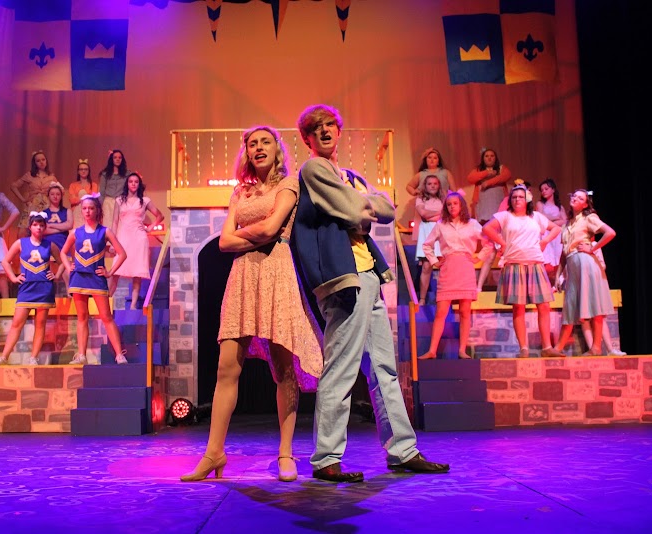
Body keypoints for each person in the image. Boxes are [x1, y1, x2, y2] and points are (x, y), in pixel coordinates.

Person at [290, 104, 449, 483]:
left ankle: (402, 450)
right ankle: (326, 457)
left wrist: (362, 208)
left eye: (331, 125)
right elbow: (352, 212)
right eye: (317, 127)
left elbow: (387, 209)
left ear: (338, 131)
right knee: (342, 366)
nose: (326, 131)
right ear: (307, 138)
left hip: (368, 275)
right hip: (344, 278)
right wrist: (361, 208)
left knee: (384, 369)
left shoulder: (350, 176)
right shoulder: (314, 170)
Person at [181, 125, 323, 483]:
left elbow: (271, 229)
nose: (258, 147)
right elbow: (223, 243)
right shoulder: (240, 191)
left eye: (265, 142)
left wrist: (244, 236)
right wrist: (253, 236)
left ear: (277, 149)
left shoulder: (288, 185)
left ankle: (286, 453)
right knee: (226, 368)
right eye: (252, 143)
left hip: (277, 273)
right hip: (242, 277)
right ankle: (214, 453)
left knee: (283, 369)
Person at [482, 184, 563, 358]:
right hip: (514, 264)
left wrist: (545, 241)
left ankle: (547, 347)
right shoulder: (505, 216)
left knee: (544, 305)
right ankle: (524, 348)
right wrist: (502, 243)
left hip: (535, 264)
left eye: (520, 197)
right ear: (510, 200)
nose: (517, 199)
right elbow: (487, 228)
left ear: (527, 200)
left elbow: (556, 228)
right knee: (518, 307)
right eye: (514, 197)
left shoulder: (536, 217)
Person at [59, 193, 128, 365]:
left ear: (97, 210)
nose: (87, 211)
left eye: (91, 208)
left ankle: (119, 354)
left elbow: (122, 253)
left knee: (106, 317)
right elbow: (63, 252)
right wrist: (68, 266)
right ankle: (81, 355)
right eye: (84, 209)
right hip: (78, 278)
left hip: (96, 279)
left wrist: (110, 272)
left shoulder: (105, 231)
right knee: (82, 317)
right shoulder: (76, 232)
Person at [0, 212, 64, 366]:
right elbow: (5, 262)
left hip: (43, 288)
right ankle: (4, 357)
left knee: (40, 324)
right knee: (17, 323)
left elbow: (62, 262)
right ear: (30, 227)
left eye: (41, 225)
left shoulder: (49, 245)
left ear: (45, 227)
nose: (38, 228)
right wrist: (13, 278)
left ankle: (33, 358)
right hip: (26, 288)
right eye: (35, 225)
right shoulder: (20, 243)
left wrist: (56, 276)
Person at [418, 192, 486, 360]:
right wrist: (434, 261)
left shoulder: (472, 224)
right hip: (448, 268)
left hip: (465, 267)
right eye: (449, 204)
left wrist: (479, 256)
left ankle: (462, 350)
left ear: (461, 205)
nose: (452, 206)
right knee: (441, 311)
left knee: (464, 311)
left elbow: (489, 242)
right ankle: (432, 350)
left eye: (455, 203)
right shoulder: (441, 225)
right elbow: (426, 245)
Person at [551, 190, 616, 356]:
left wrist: (592, 248)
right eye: (574, 196)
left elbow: (610, 233)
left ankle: (596, 347)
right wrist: (558, 275)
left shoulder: (589, 218)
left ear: (585, 204)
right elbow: (564, 253)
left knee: (594, 304)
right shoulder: (566, 225)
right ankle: (558, 348)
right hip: (573, 266)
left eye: (580, 198)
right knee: (570, 306)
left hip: (586, 264)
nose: (575, 198)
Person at [110, 172, 164, 309]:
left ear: (139, 184)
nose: (133, 184)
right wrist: (112, 242)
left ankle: (133, 305)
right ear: (127, 184)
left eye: (136, 182)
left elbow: (160, 215)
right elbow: (115, 222)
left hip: (139, 238)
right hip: (123, 237)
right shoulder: (119, 200)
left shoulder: (144, 200)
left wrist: (150, 227)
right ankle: (107, 301)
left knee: (137, 272)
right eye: (131, 181)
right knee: (115, 271)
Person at [468, 148, 511, 291]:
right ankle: (479, 286)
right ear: (483, 158)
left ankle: (507, 286)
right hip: (484, 211)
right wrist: (486, 173)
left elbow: (506, 175)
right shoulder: (479, 170)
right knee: (490, 250)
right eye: (486, 156)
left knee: (502, 252)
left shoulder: (501, 168)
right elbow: (471, 178)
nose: (489, 158)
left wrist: (489, 181)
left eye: (492, 155)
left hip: (500, 211)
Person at [11, 150, 59, 237]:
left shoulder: (51, 177)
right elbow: (13, 186)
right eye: (38, 161)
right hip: (31, 206)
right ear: (34, 163)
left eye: (43, 159)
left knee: (44, 232)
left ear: (46, 161)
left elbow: (60, 191)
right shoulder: (29, 175)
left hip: (46, 207)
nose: (41, 162)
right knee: (23, 233)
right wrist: (23, 200)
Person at [414, 175, 444, 305]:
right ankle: (422, 299)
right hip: (427, 232)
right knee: (426, 267)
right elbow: (424, 214)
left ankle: (443, 297)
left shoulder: (443, 199)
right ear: (425, 186)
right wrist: (440, 213)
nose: (432, 186)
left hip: (441, 231)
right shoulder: (420, 199)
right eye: (429, 183)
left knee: (443, 265)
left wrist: (433, 214)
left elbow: (446, 215)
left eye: (435, 183)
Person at [535, 178, 567, 285]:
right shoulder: (540, 204)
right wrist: (555, 218)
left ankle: (557, 282)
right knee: (546, 258)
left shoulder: (560, 206)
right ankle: (544, 283)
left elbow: (564, 221)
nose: (543, 191)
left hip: (557, 234)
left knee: (558, 257)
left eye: (546, 189)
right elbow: (540, 218)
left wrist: (552, 222)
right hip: (546, 234)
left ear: (553, 190)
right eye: (542, 190)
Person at [43, 182, 73, 292]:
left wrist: (51, 225)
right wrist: (61, 227)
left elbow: (69, 225)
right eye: (52, 194)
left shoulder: (67, 211)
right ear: (48, 196)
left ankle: (69, 291)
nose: (55, 196)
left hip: (63, 244)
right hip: (48, 245)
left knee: (66, 267)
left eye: (58, 194)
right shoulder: (43, 213)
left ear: (61, 196)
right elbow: (43, 230)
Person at [99, 149, 128, 228]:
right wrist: (99, 207)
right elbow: (102, 192)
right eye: (115, 157)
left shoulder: (127, 174)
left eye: (120, 157)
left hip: (121, 202)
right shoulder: (105, 174)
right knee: (108, 225)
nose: (117, 159)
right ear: (111, 159)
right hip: (108, 203)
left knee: (120, 226)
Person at [68, 159, 98, 229]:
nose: (83, 171)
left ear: (88, 171)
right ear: (78, 171)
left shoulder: (94, 185)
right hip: (76, 212)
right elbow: (72, 200)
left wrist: (80, 198)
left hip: (89, 211)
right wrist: (86, 197)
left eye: (85, 169)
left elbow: (94, 199)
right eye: (81, 169)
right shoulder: (73, 185)